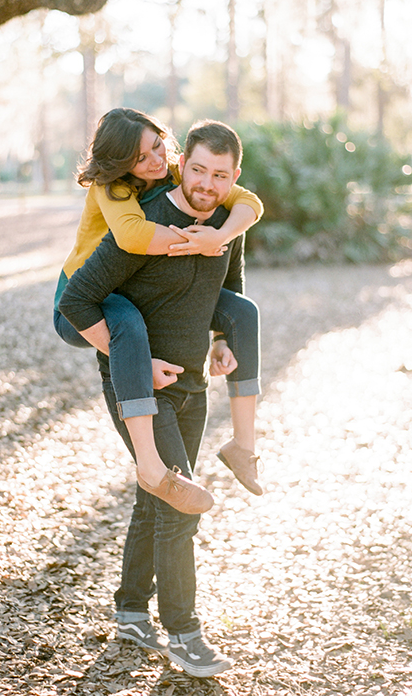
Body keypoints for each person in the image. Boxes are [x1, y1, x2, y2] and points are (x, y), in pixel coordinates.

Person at [58, 120, 253, 677]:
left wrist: (220, 341)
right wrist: (137, 364)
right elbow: (77, 300)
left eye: (220, 175)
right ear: (180, 164)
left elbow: (231, 291)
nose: (206, 183)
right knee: (178, 506)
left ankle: (129, 611)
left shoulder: (226, 225)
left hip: (194, 386)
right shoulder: (141, 225)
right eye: (197, 169)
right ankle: (184, 634)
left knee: (155, 498)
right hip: (139, 387)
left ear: (233, 177)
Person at [53, 108, 263, 506]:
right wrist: (197, 242)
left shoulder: (174, 170)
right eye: (140, 158)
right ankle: (150, 466)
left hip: (128, 290)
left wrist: (219, 234)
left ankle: (244, 444)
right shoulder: (110, 186)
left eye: (158, 146)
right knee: (128, 324)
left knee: (243, 311)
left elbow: (247, 199)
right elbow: (132, 235)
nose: (154, 161)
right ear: (119, 163)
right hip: (85, 298)